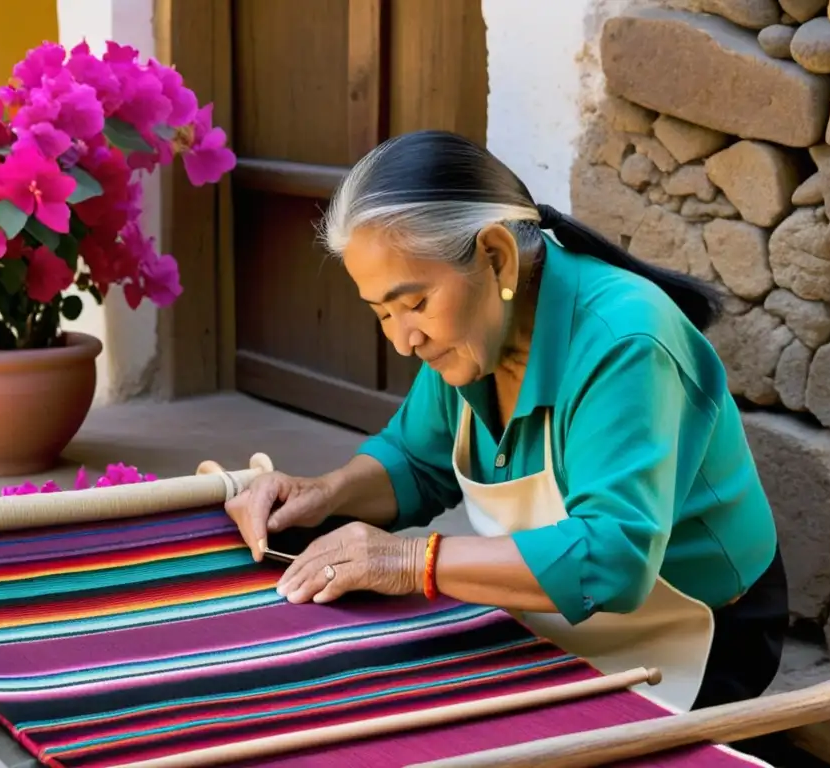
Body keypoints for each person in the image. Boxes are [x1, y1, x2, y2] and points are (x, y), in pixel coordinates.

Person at [225, 130, 788, 720]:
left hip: (699, 632)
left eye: (413, 304)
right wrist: (322, 494)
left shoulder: (625, 340)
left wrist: (408, 560)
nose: (402, 339)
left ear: (495, 256)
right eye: (382, 313)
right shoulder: (473, 336)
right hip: (558, 621)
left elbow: (613, 557)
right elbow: (416, 460)